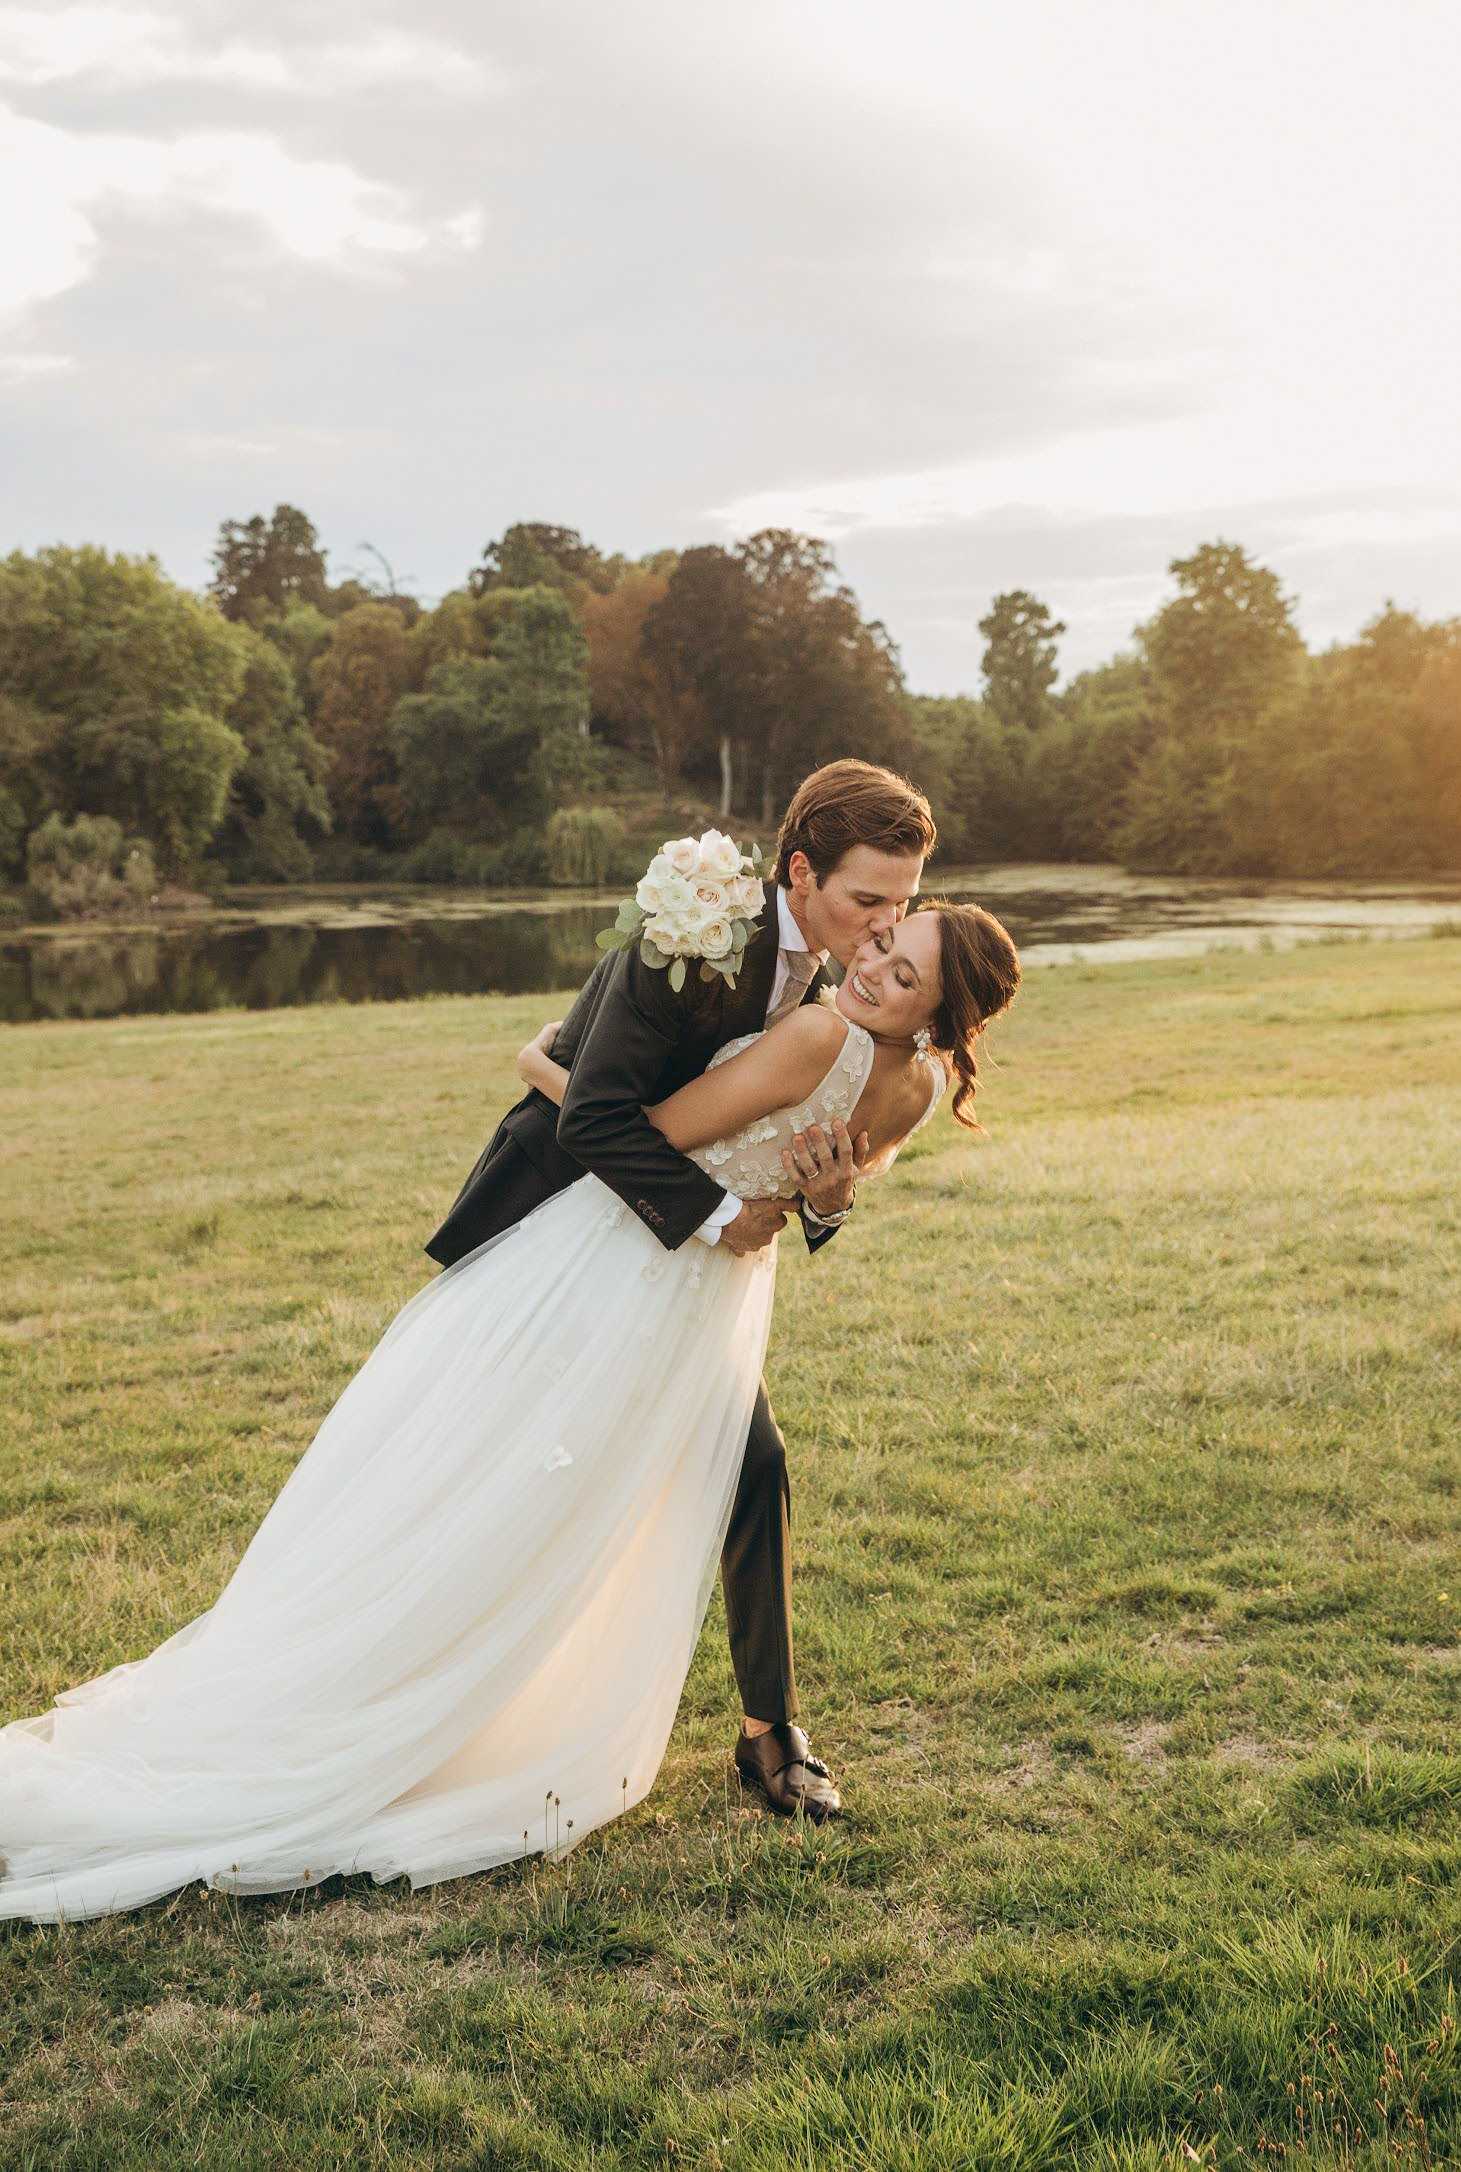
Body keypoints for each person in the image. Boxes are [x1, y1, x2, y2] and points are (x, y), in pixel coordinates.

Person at [0, 885, 1019, 1925]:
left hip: (664, 1268)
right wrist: (811, 1199)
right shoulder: (908, 1073)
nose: (875, 964)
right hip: (675, 1273)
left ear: (938, 1018)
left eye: (904, 973)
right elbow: (803, 1167)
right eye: (883, 935)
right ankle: (479, 1698)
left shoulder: (819, 1032)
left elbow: (692, 1138)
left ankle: (750, 1728)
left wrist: (544, 1070)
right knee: (566, 1476)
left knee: (682, 1473)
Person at [426, 759, 938, 1821]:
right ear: (800, 873)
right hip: (576, 1224)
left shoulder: (859, 995)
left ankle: (770, 1733)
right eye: (866, 901)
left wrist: (823, 1205)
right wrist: (720, 1217)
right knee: (505, 1468)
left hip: (695, 1265)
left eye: (904, 903)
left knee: (753, 1467)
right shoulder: (694, 928)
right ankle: (437, 1709)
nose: (886, 926)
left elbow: (786, 1154)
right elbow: (596, 1116)